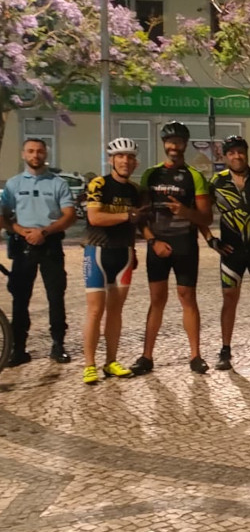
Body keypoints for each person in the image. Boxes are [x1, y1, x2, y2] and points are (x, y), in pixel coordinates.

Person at [135, 122, 213, 374]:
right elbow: (140, 218)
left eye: (178, 142)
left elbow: (206, 217)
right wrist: (152, 242)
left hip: (185, 246)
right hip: (157, 245)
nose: (174, 146)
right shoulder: (151, 175)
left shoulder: (195, 176)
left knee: (187, 298)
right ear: (163, 144)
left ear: (185, 144)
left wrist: (185, 211)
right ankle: (146, 356)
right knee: (156, 300)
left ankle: (195, 356)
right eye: (169, 142)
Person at [201, 135, 250, 372]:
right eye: (232, 153)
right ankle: (225, 349)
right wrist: (210, 240)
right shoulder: (216, 182)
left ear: (247, 152)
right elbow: (200, 213)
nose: (237, 156)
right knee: (229, 300)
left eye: (240, 152)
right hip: (231, 250)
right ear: (225, 156)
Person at [0, 138, 75, 366]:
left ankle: (58, 345)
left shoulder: (57, 183)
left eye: (40, 151)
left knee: (56, 296)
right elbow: (3, 217)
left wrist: (44, 231)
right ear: (23, 154)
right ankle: (18, 349)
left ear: (45, 154)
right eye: (31, 151)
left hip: (50, 244)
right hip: (23, 245)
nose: (35, 155)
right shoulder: (13, 185)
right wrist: (21, 230)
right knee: (20, 299)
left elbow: (69, 216)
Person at [80, 138, 147, 384]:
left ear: (135, 162)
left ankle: (111, 361)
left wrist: (134, 249)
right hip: (97, 252)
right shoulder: (99, 183)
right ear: (111, 160)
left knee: (116, 312)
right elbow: (95, 218)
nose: (125, 161)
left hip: (123, 255)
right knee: (95, 310)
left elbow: (136, 224)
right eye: (120, 156)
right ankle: (89, 364)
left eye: (130, 157)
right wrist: (126, 215)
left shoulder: (135, 190)